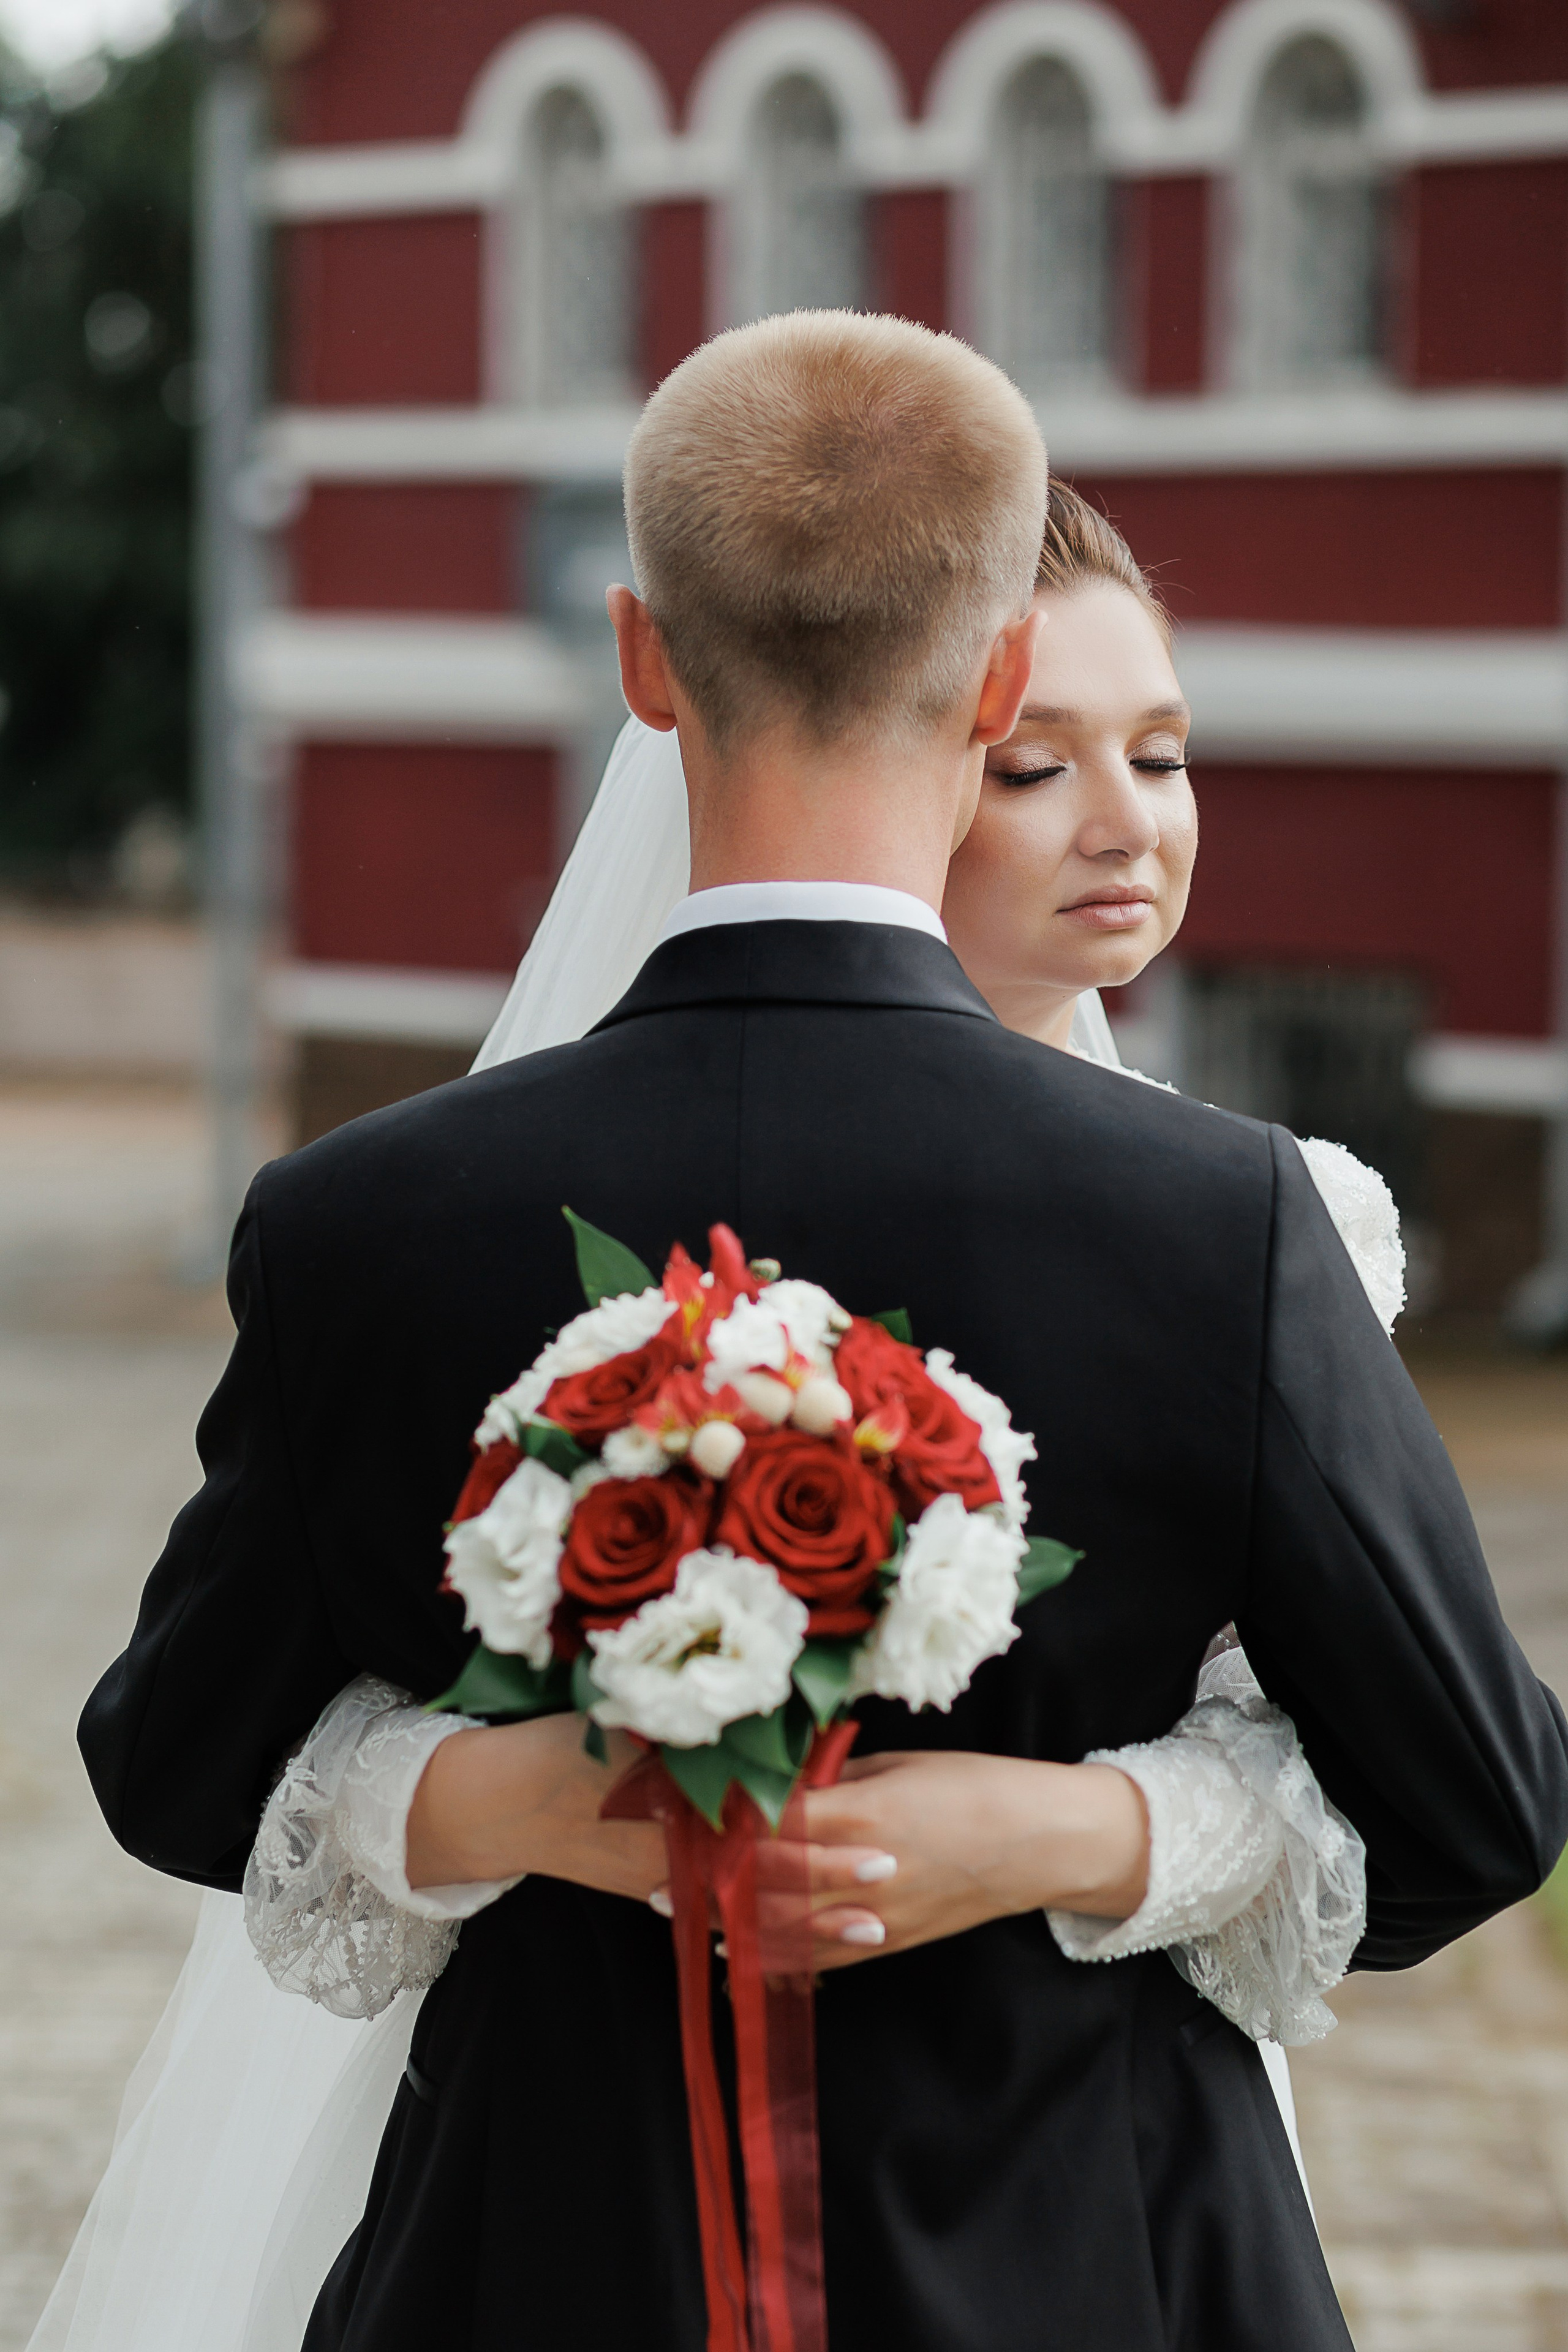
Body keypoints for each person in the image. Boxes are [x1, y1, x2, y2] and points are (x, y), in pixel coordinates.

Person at [73, 315, 1568, 2350]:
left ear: (641, 659)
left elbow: (177, 1764)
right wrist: (1097, 1837)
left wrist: (499, 1798)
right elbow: (1478, 1805)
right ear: (1001, 679)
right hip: (1097, 2252)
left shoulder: (359, 1221)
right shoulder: (1223, 1227)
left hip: (539, 2261)